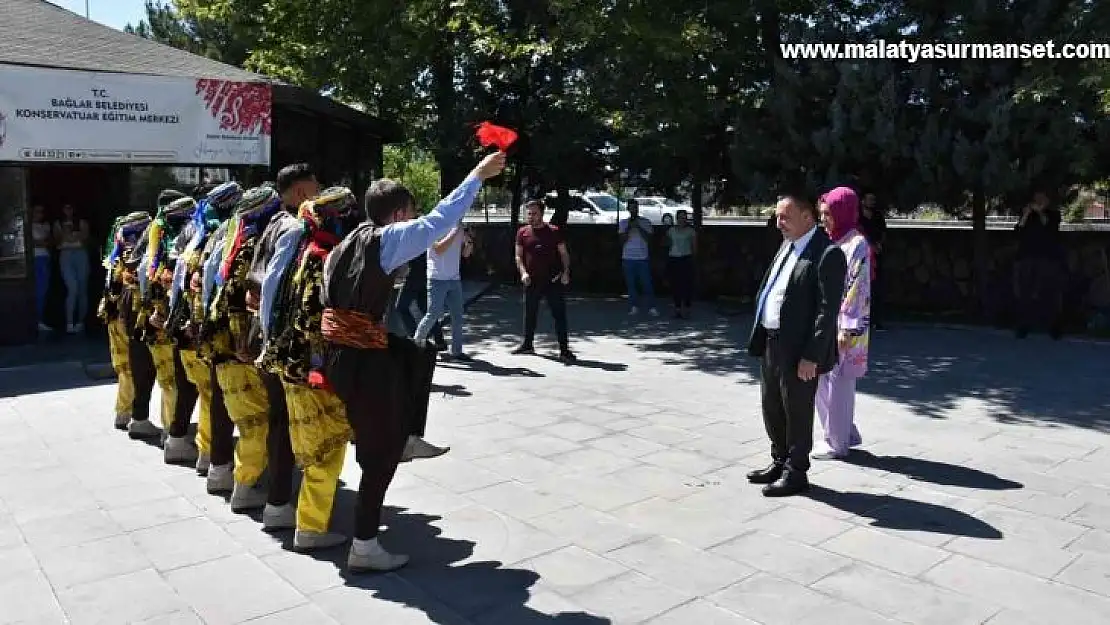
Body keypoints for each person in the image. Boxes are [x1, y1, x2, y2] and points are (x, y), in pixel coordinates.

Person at [319, 151, 506, 572]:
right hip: (360, 356)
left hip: (344, 353)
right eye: (411, 213)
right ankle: (364, 546)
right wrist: (476, 175)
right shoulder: (387, 239)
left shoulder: (344, 245)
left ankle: (404, 436)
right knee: (377, 454)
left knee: (417, 353)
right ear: (400, 213)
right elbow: (439, 221)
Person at [259, 186, 365, 550]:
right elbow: (315, 320)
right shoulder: (323, 256)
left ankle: (296, 515)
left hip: (290, 363)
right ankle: (311, 528)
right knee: (326, 449)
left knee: (305, 442)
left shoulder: (301, 252)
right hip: (313, 369)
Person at [746, 194, 846, 497]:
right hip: (772, 342)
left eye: (785, 217)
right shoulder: (787, 247)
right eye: (778, 216)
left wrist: (811, 356)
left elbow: (827, 312)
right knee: (772, 405)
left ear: (807, 216)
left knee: (797, 411)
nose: (779, 223)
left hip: (800, 350)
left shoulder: (827, 254)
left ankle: (796, 470)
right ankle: (779, 461)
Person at [247, 162, 319, 531]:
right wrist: (269, 335)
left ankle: (276, 501)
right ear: (302, 192)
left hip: (268, 334)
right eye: (315, 186)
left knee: (279, 418)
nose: (320, 191)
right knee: (284, 420)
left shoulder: (274, 223)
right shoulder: (291, 227)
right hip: (279, 338)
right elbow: (273, 282)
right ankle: (279, 505)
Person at [207, 186, 286, 511]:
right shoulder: (249, 245)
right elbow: (238, 300)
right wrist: (245, 342)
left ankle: (224, 471)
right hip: (238, 348)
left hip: (222, 345)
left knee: (238, 413)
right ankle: (244, 485)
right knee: (255, 421)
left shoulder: (226, 241)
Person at [167, 181, 243, 483]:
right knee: (214, 395)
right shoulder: (222, 231)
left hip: (187, 321)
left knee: (197, 389)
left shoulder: (191, 229)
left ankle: (202, 452)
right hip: (207, 325)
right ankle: (212, 458)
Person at [134, 193, 198, 445]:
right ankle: (172, 433)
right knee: (171, 379)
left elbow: (140, 269)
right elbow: (145, 271)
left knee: (168, 378)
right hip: (163, 318)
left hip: (154, 315)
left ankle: (169, 430)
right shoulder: (168, 234)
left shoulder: (156, 232)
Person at [814, 188, 870, 460]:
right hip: (826, 322)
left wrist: (847, 327)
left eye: (829, 214)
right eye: (822, 214)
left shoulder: (856, 244)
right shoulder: (831, 240)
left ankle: (837, 442)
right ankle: (842, 431)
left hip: (845, 326)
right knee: (821, 377)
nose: (823, 219)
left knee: (840, 382)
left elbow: (857, 288)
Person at [97, 211, 152, 430]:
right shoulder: (137, 252)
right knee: (131, 367)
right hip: (127, 316)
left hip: (113, 316)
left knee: (123, 367)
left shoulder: (117, 250)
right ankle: (125, 411)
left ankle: (123, 411)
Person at [513, 200, 575, 362]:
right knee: (530, 314)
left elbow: (564, 254)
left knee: (559, 315)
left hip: (553, 280)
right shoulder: (522, 232)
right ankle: (527, 344)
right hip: (531, 281)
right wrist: (523, 273)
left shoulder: (554, 231)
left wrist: (566, 272)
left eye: (534, 213)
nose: (530, 217)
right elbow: (518, 256)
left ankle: (564, 350)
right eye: (528, 213)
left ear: (541, 214)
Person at [414, 220, 473, 359]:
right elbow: (439, 249)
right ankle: (416, 343)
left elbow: (465, 254)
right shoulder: (435, 227)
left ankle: (457, 351)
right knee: (433, 314)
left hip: (454, 278)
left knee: (458, 315)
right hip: (436, 278)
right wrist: (455, 231)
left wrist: (469, 242)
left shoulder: (459, 229)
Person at [1014, 191, 1065, 339]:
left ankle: (1054, 328)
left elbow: (1049, 227)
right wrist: (1025, 215)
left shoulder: (1054, 214)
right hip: (1028, 257)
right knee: (1025, 293)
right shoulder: (1029, 215)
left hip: (1047, 259)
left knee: (1050, 294)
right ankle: (1024, 326)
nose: (1038, 201)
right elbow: (1018, 230)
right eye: (1036, 199)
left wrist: (1040, 212)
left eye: (1042, 199)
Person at [394, 253, 446, 349]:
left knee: (401, 307)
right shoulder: (425, 240)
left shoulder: (410, 239)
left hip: (414, 277)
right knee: (426, 310)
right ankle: (439, 340)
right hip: (425, 275)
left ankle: (416, 338)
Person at [54, 203, 91, 334]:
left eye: (70, 207)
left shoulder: (82, 222)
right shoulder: (58, 223)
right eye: (65, 208)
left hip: (81, 255)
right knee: (72, 288)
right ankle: (69, 323)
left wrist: (71, 237)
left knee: (82, 289)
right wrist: (71, 235)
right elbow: (58, 240)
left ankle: (80, 322)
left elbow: (85, 239)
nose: (68, 210)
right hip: (66, 255)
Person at [618, 199, 658, 315]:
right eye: (631, 208)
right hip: (628, 258)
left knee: (647, 284)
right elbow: (621, 241)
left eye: (635, 207)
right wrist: (629, 228)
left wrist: (639, 227)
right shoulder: (623, 223)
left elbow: (649, 239)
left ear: (638, 208)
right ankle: (634, 306)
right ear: (628, 209)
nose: (633, 210)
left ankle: (652, 307)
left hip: (642, 258)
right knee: (631, 285)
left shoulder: (645, 222)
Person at [858, 193, 886, 327]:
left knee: (877, 287)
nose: (872, 202)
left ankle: (877, 319)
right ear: (863, 201)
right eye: (869, 199)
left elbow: (883, 232)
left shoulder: (878, 216)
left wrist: (879, 244)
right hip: (863, 254)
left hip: (877, 255)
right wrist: (870, 246)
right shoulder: (858, 217)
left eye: (873, 199)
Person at [665, 209, 697, 318]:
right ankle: (677, 308)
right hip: (674, 258)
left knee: (687, 284)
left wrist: (693, 259)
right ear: (676, 218)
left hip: (686, 258)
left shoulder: (690, 231)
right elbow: (667, 244)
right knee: (675, 284)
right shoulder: (671, 230)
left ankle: (687, 307)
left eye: (684, 217)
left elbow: (694, 246)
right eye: (680, 217)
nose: (682, 220)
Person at [31, 205, 52, 333]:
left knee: (43, 290)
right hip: (34, 258)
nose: (40, 214)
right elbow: (30, 242)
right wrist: (40, 242)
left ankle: (40, 319)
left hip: (44, 257)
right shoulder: (28, 225)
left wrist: (39, 242)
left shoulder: (45, 226)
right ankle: (36, 320)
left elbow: (50, 242)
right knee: (37, 290)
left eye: (41, 211)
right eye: (37, 211)